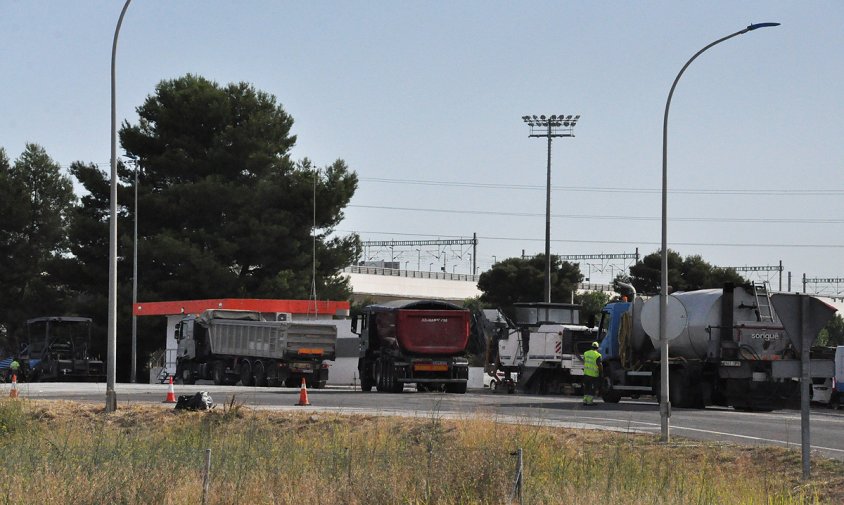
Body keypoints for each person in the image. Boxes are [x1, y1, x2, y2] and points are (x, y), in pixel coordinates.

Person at [582, 341, 602, 405]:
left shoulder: (586, 353)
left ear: (591, 347)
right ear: (597, 348)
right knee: (591, 388)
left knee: (586, 388)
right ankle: (590, 402)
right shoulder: (598, 355)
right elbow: (599, 364)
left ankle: (585, 401)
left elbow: (584, 361)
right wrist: (601, 372)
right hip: (593, 375)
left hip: (586, 374)